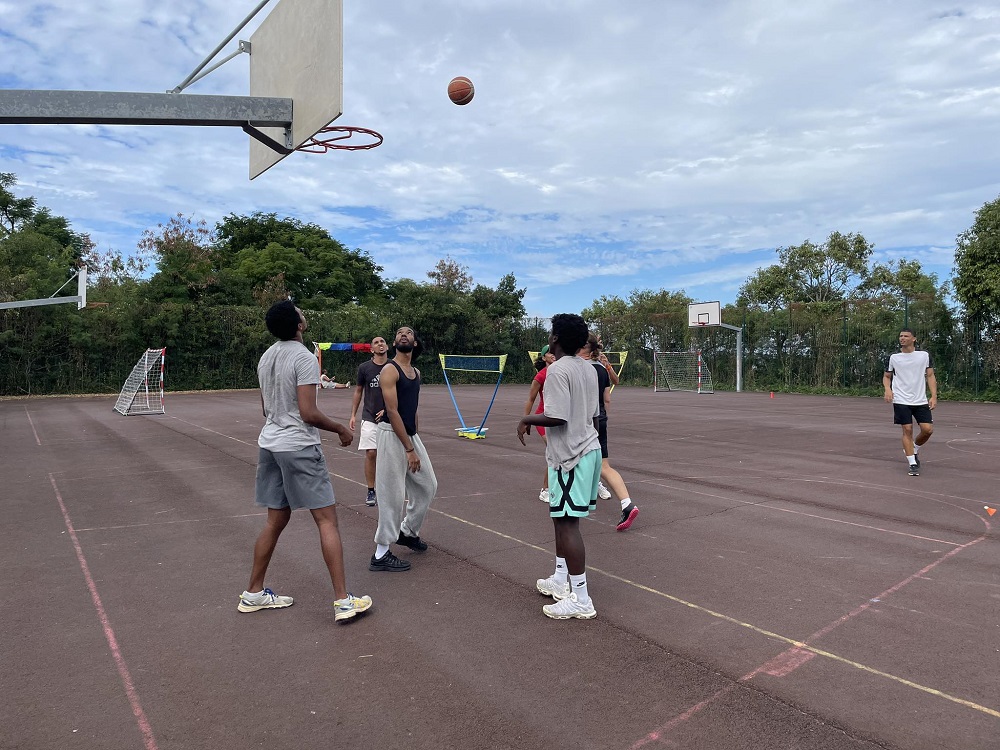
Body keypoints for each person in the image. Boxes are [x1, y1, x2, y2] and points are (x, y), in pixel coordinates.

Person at [238, 300, 372, 623]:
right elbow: (308, 412)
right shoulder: (304, 357)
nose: (302, 313)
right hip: (298, 445)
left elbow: (266, 409)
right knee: (327, 521)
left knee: (274, 521)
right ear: (298, 325)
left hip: (269, 444)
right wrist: (340, 428)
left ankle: (253, 593)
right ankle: (343, 601)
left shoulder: (266, 357)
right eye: (299, 311)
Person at [517, 313, 602, 620]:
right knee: (560, 518)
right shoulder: (589, 368)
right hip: (585, 449)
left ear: (555, 338)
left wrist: (526, 419)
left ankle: (581, 599)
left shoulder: (556, 370)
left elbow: (557, 417)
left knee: (568, 524)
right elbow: (594, 415)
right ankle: (560, 578)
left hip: (571, 456)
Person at [369, 326, 438, 572]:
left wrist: (414, 438)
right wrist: (409, 450)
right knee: (392, 495)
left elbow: (412, 407)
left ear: (415, 342)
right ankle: (380, 554)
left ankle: (407, 532)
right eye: (399, 333)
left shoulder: (416, 373)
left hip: (409, 435)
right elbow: (392, 410)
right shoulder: (390, 370)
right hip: (391, 435)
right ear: (394, 342)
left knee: (428, 485)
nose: (403, 335)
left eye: (408, 333)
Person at [586, 333, 639, 531]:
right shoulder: (601, 369)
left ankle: (576, 499)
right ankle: (627, 504)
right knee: (604, 465)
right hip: (600, 418)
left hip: (584, 421)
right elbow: (607, 398)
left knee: (572, 461)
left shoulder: (580, 368)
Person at [883, 328, 937, 476]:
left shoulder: (924, 356)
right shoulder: (893, 357)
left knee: (927, 430)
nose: (902, 338)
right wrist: (887, 389)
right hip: (901, 399)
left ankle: (914, 448)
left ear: (914, 339)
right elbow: (887, 376)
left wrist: (933, 396)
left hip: (920, 399)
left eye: (906, 336)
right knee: (907, 430)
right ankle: (912, 463)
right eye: (901, 336)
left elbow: (930, 376)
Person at [349, 336, 389, 506]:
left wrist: (387, 410)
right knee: (371, 452)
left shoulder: (393, 367)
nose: (380, 344)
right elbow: (358, 391)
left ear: (387, 346)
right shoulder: (364, 368)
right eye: (376, 343)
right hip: (369, 416)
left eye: (382, 341)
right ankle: (371, 490)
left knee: (390, 456)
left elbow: (401, 392)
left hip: (390, 417)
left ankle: (389, 489)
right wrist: (353, 414)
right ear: (371, 349)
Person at [523, 345, 556, 502]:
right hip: (543, 418)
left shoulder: (562, 372)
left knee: (563, 453)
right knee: (554, 452)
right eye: (549, 352)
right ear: (544, 357)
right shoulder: (541, 376)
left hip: (558, 418)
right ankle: (545, 489)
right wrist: (526, 420)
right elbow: (531, 399)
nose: (553, 354)